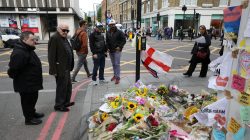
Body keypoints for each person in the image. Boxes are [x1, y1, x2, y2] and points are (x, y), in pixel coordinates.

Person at [8, 31, 44, 125]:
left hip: (32, 82)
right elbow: (13, 70)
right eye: (32, 40)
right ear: (24, 40)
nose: (34, 42)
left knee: (33, 99)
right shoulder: (19, 52)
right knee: (27, 101)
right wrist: (21, 79)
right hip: (25, 84)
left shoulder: (28, 48)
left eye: (34, 39)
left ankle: (32, 113)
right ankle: (29, 119)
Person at [48, 23, 75, 112]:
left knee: (68, 86)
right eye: (64, 30)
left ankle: (66, 102)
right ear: (58, 29)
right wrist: (53, 70)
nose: (65, 32)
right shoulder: (54, 38)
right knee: (61, 87)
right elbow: (51, 56)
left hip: (66, 67)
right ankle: (59, 105)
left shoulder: (64, 38)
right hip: (60, 68)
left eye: (67, 31)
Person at [106, 20, 126, 84]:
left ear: (115, 25)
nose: (112, 26)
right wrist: (107, 48)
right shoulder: (108, 32)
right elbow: (107, 41)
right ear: (109, 25)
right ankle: (115, 75)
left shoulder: (119, 32)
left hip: (117, 51)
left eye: (113, 24)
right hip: (111, 51)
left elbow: (124, 40)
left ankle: (117, 77)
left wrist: (119, 47)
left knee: (117, 64)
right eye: (111, 25)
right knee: (113, 64)